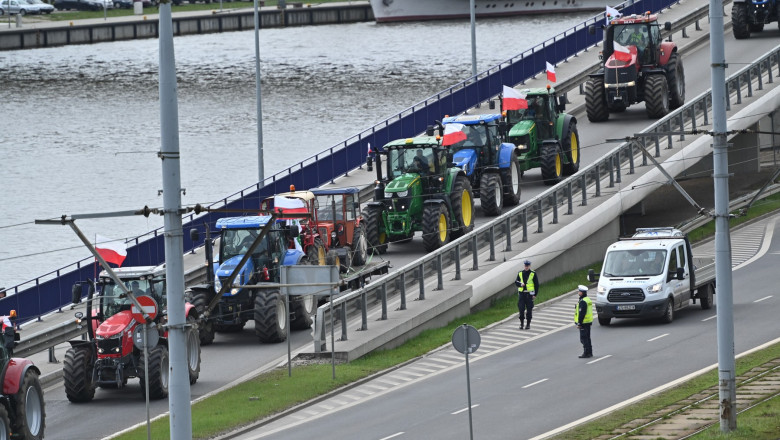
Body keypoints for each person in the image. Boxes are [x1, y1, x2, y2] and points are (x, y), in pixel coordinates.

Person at [514, 260, 539, 329]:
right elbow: (516, 282)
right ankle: (521, 324)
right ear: (524, 266)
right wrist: (520, 284)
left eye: (527, 266)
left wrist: (535, 294)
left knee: (529, 310)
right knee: (521, 309)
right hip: (522, 294)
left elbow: (536, 285)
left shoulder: (533, 273)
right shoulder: (520, 273)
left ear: (529, 266)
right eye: (525, 266)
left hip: (529, 294)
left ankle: (528, 324)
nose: (526, 267)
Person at [574, 285, 593, 358]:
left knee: (583, 338)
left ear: (581, 293)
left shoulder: (583, 301)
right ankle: (590, 352)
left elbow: (582, 313)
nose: (578, 292)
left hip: (583, 323)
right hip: (588, 322)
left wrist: (579, 323)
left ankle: (586, 353)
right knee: (588, 337)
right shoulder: (588, 299)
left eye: (579, 291)